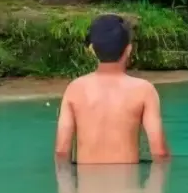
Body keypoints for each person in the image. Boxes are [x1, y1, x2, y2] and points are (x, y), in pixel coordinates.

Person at [55, 14, 171, 165]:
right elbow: (159, 152)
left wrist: (68, 189)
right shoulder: (144, 90)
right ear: (129, 49)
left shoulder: (75, 89)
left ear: (93, 50)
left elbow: (62, 151)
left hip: (87, 188)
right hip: (128, 187)